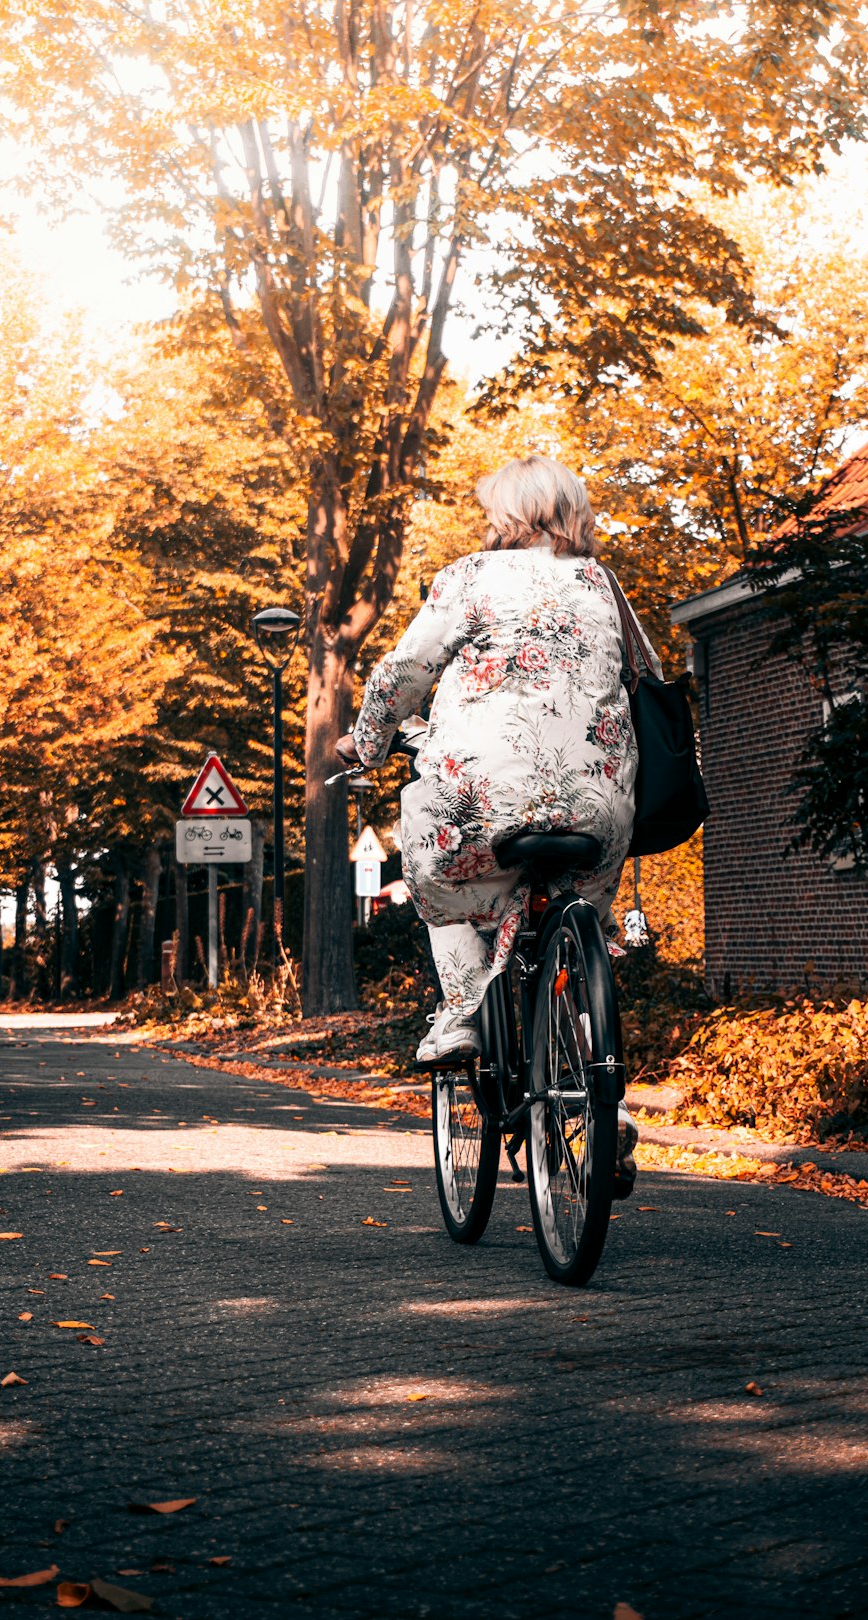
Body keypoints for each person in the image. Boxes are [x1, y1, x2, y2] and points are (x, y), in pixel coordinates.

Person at [335, 454, 661, 1191]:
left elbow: (403, 673)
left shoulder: (472, 576)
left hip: (483, 799)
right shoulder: (605, 587)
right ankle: (595, 1092)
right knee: (580, 923)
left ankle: (459, 1015)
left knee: (438, 877)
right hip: (599, 808)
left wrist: (367, 738)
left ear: (507, 512)